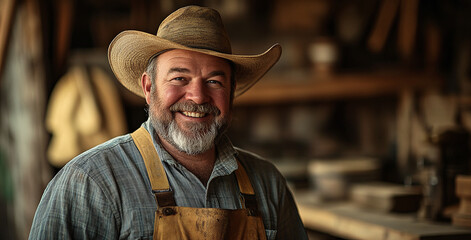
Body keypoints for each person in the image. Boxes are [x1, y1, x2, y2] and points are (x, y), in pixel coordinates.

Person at [29, 5, 307, 240]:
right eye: (179, 78)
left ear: (231, 94)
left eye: (214, 81)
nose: (198, 97)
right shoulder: (90, 182)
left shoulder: (267, 183)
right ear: (149, 88)